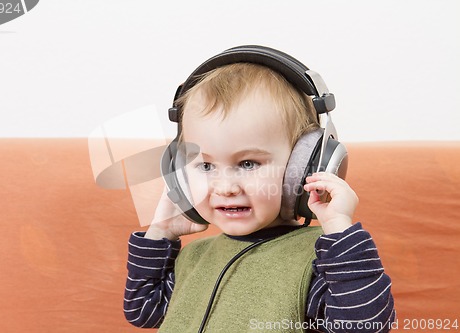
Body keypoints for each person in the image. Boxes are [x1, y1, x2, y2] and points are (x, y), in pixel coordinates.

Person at [123, 46, 395, 332]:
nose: (225, 187)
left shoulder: (319, 261)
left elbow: (364, 326)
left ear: (306, 166)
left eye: (248, 163)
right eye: (205, 166)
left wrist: (340, 231)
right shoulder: (194, 258)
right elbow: (143, 310)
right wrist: (159, 232)